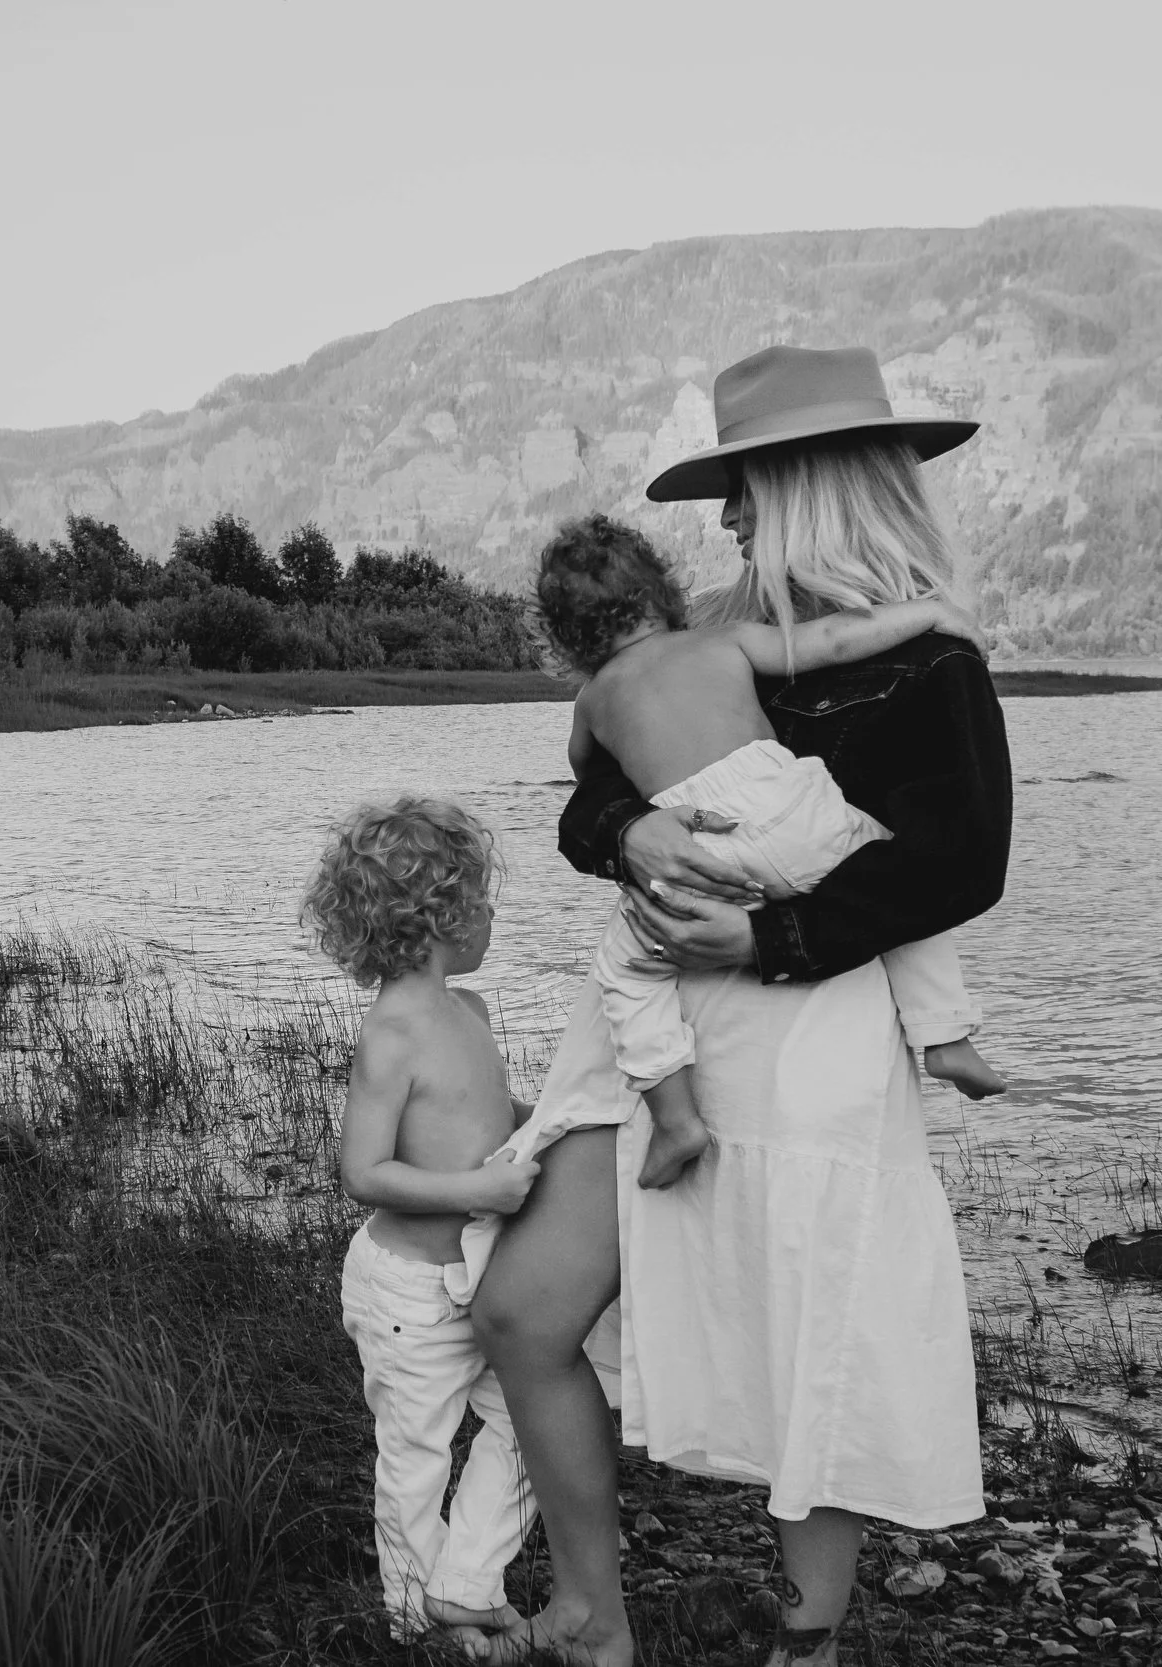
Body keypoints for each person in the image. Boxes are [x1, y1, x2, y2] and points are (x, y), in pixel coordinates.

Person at [469, 345, 1012, 1667]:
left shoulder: (929, 656)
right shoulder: (712, 629)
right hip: (648, 1031)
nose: (727, 519)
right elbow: (594, 788)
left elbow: (958, 863)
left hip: (804, 1023)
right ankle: (596, 1612)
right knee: (526, 1310)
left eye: (749, 489)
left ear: (814, 484)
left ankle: (806, 1638)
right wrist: (629, 839)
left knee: (803, 1333)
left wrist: (767, 931)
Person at [534, 512, 1006, 1191]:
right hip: (794, 813)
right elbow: (836, 639)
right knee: (906, 882)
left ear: (564, 635)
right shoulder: (722, 642)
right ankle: (945, 1034)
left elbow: (587, 777)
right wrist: (928, 611)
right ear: (661, 593)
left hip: (702, 847)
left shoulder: (593, 700)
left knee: (628, 971)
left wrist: (631, 818)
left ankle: (675, 1120)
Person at [302, 796, 543, 1652]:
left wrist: (541, 1124)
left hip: (476, 1273)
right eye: (480, 897)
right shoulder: (394, 1031)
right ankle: (415, 1621)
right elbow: (363, 1171)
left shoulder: (467, 1012)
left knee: (536, 1413)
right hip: (407, 1290)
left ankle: (464, 1580)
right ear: (438, 913)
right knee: (416, 1459)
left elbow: (487, 1112)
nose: (491, 912)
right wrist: (480, 1184)